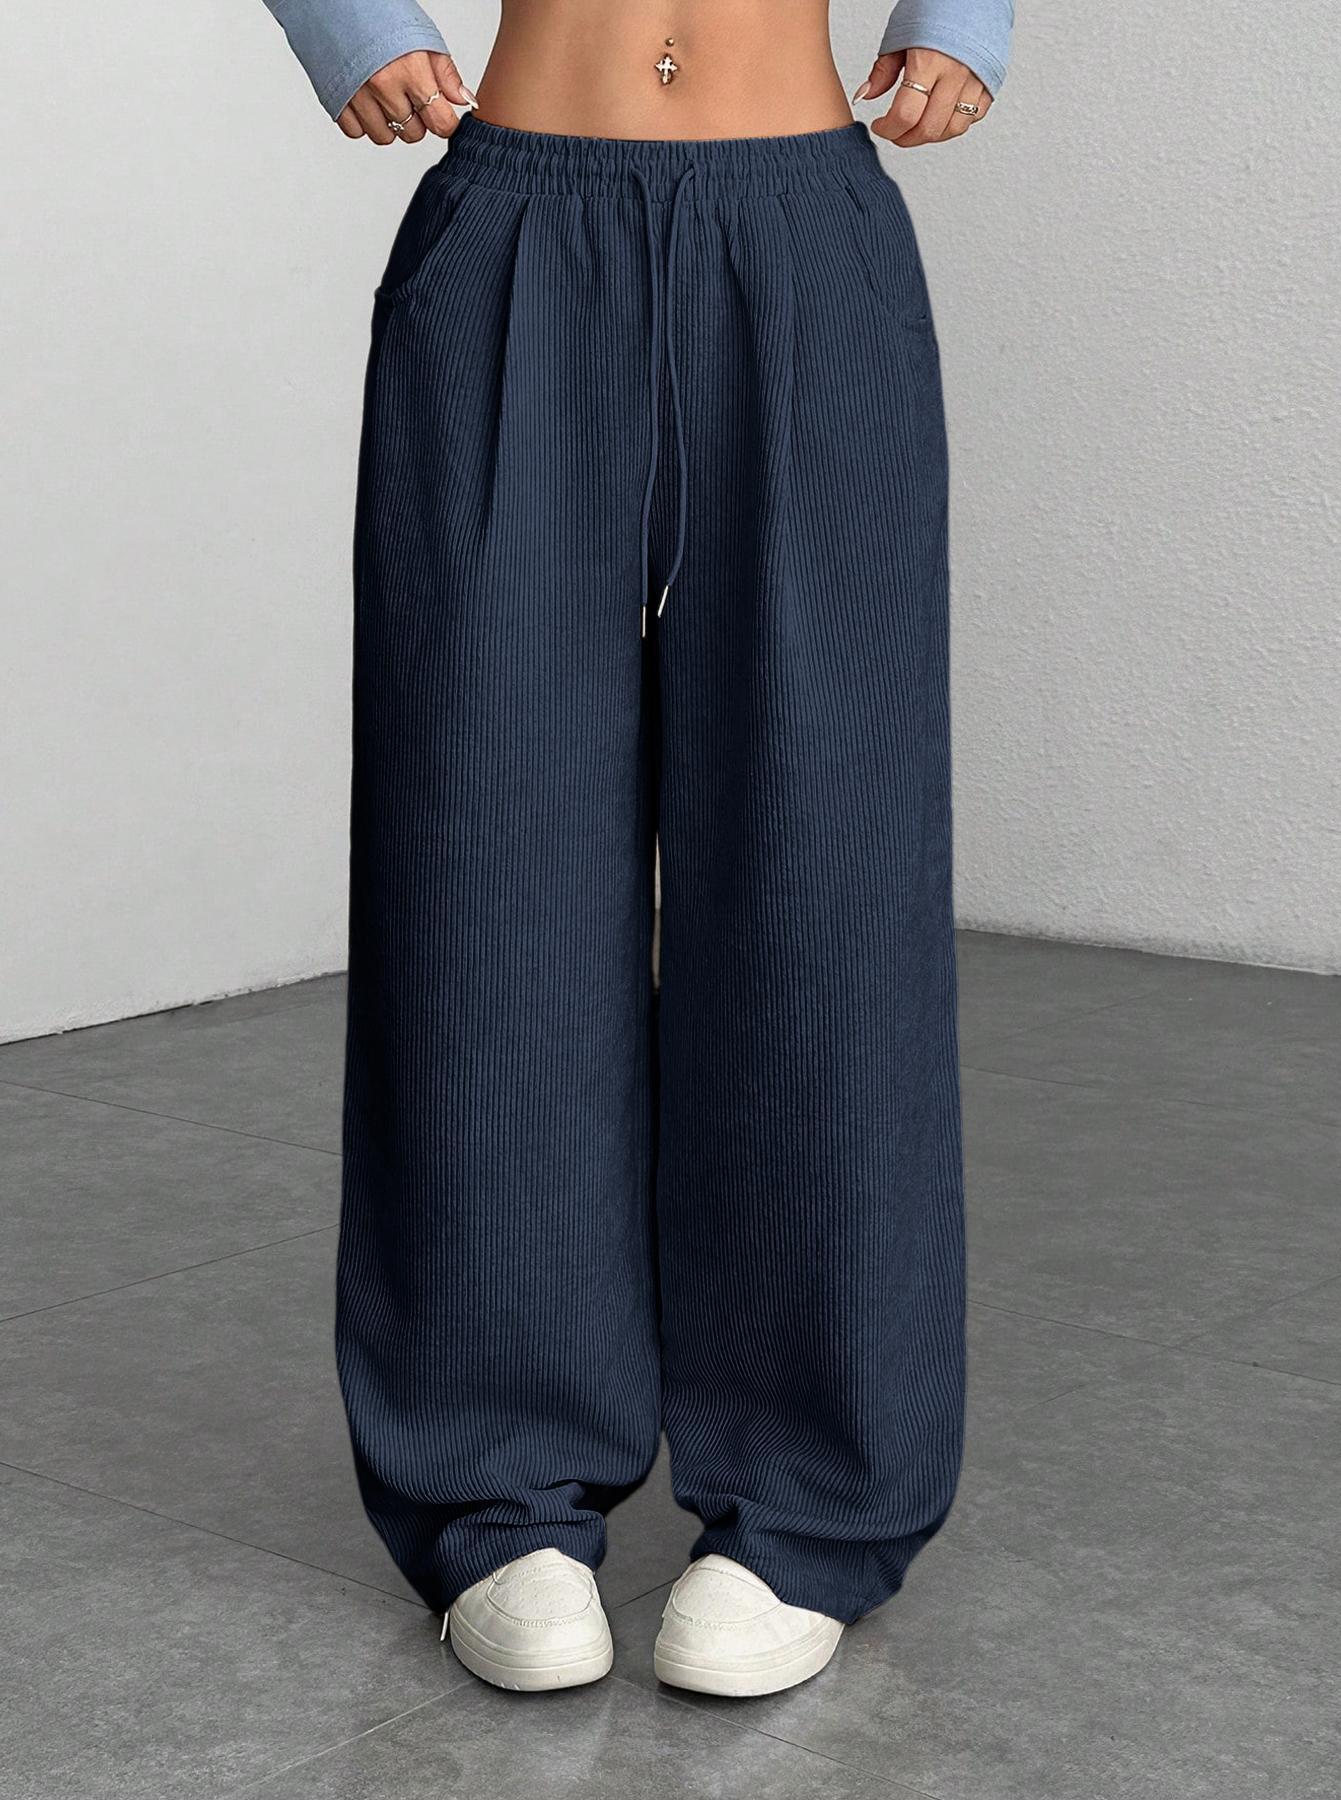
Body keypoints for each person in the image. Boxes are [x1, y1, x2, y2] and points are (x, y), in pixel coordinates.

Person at [261, 0, 1013, 1699]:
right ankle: (497, 1489)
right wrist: (345, 17)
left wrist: (968, 12)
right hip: (517, 225)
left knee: (826, 882)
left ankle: (809, 1501)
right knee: (483, 872)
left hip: (802, 234)